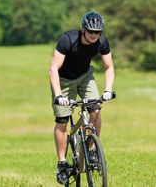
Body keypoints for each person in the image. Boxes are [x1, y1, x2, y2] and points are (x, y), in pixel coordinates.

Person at [49, 11, 114, 185]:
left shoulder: (101, 41)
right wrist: (59, 95)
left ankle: (93, 150)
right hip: (63, 80)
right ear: (83, 29)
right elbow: (53, 68)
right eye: (91, 31)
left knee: (96, 109)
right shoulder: (68, 40)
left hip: (85, 76)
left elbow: (109, 67)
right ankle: (62, 163)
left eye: (98, 32)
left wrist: (108, 90)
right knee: (62, 121)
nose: (94, 35)